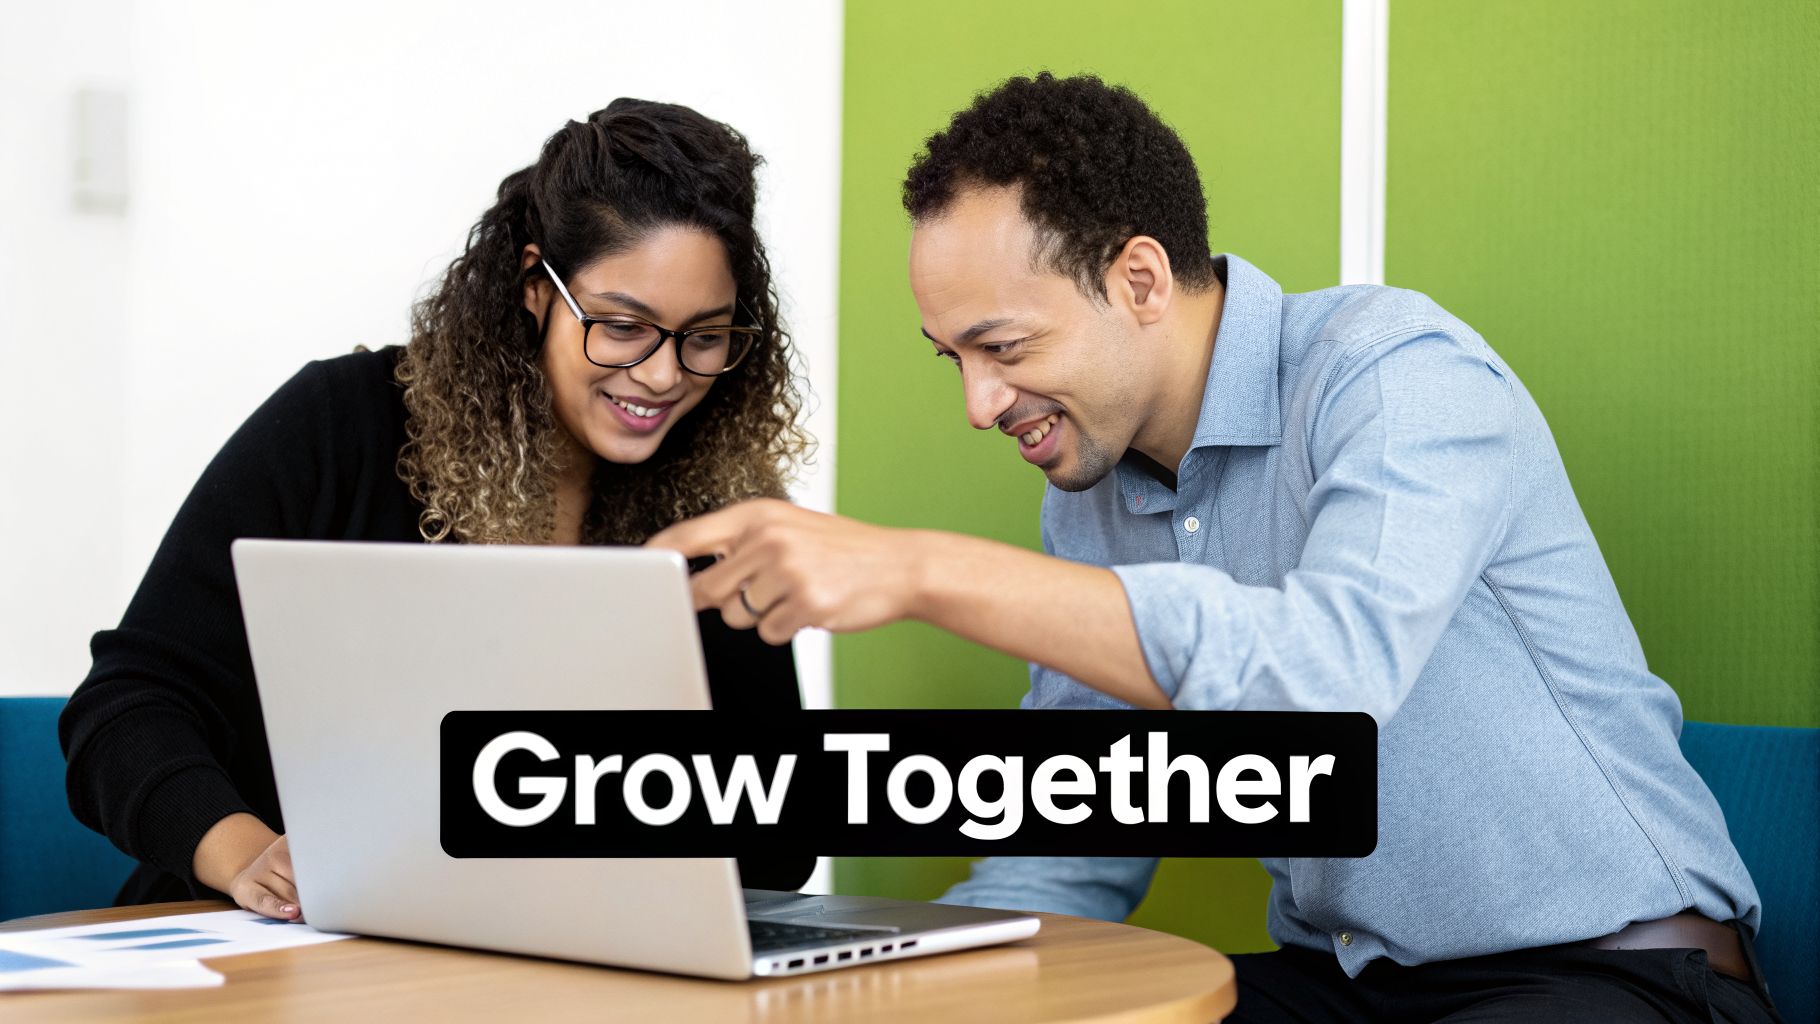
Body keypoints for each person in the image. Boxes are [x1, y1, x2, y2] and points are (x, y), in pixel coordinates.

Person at [648, 74, 1779, 1022]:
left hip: (1614, 975)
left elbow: (1326, 678)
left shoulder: (1393, 372)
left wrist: (919, 568)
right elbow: (1075, 831)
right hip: (1350, 987)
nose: (978, 402)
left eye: (1000, 345)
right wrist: (879, 981)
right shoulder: (1087, 496)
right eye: (950, 356)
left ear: (1138, 279)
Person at [62, 98, 814, 921]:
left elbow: (777, 843)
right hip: (270, 948)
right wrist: (249, 855)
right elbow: (127, 706)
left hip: (568, 955)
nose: (665, 376)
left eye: (705, 337)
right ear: (536, 287)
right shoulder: (340, 427)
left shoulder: (717, 501)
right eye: (623, 326)